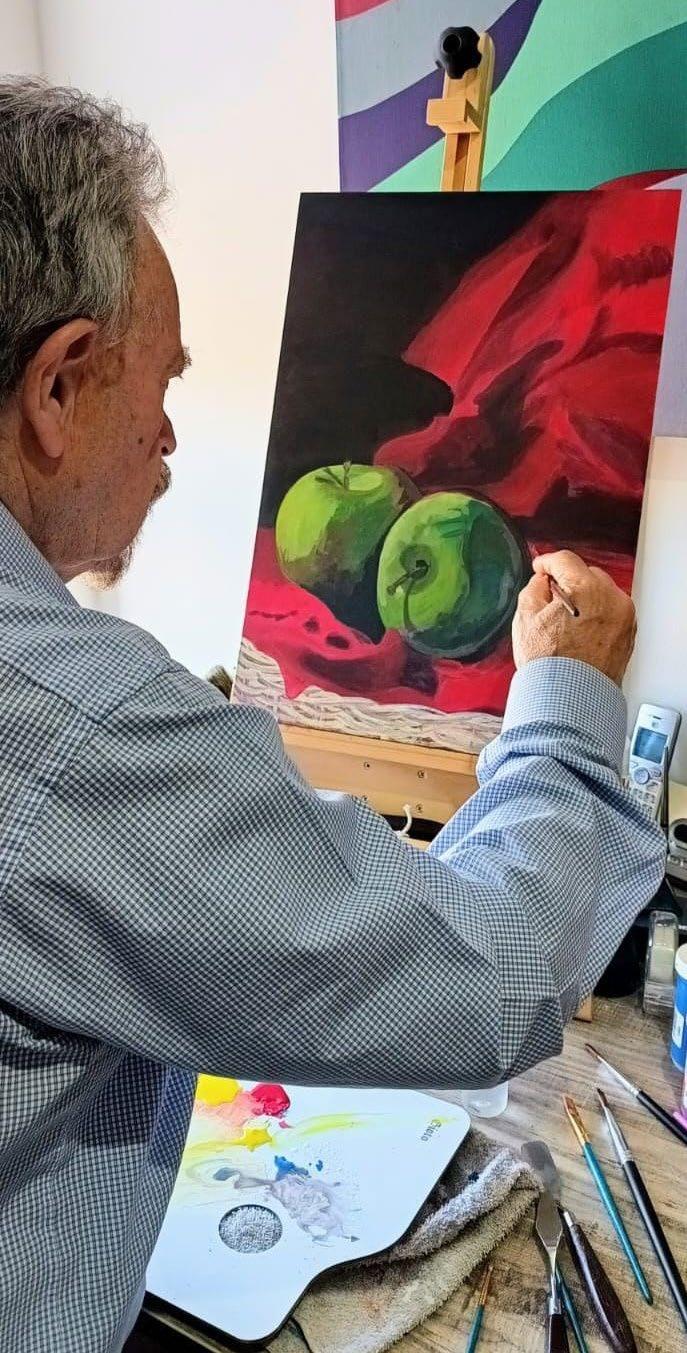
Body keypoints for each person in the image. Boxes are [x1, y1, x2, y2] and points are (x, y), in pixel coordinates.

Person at [0, 78, 663, 1353]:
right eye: (162, 380)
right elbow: (494, 974)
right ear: (60, 386)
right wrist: (567, 700)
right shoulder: (70, 726)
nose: (170, 435)